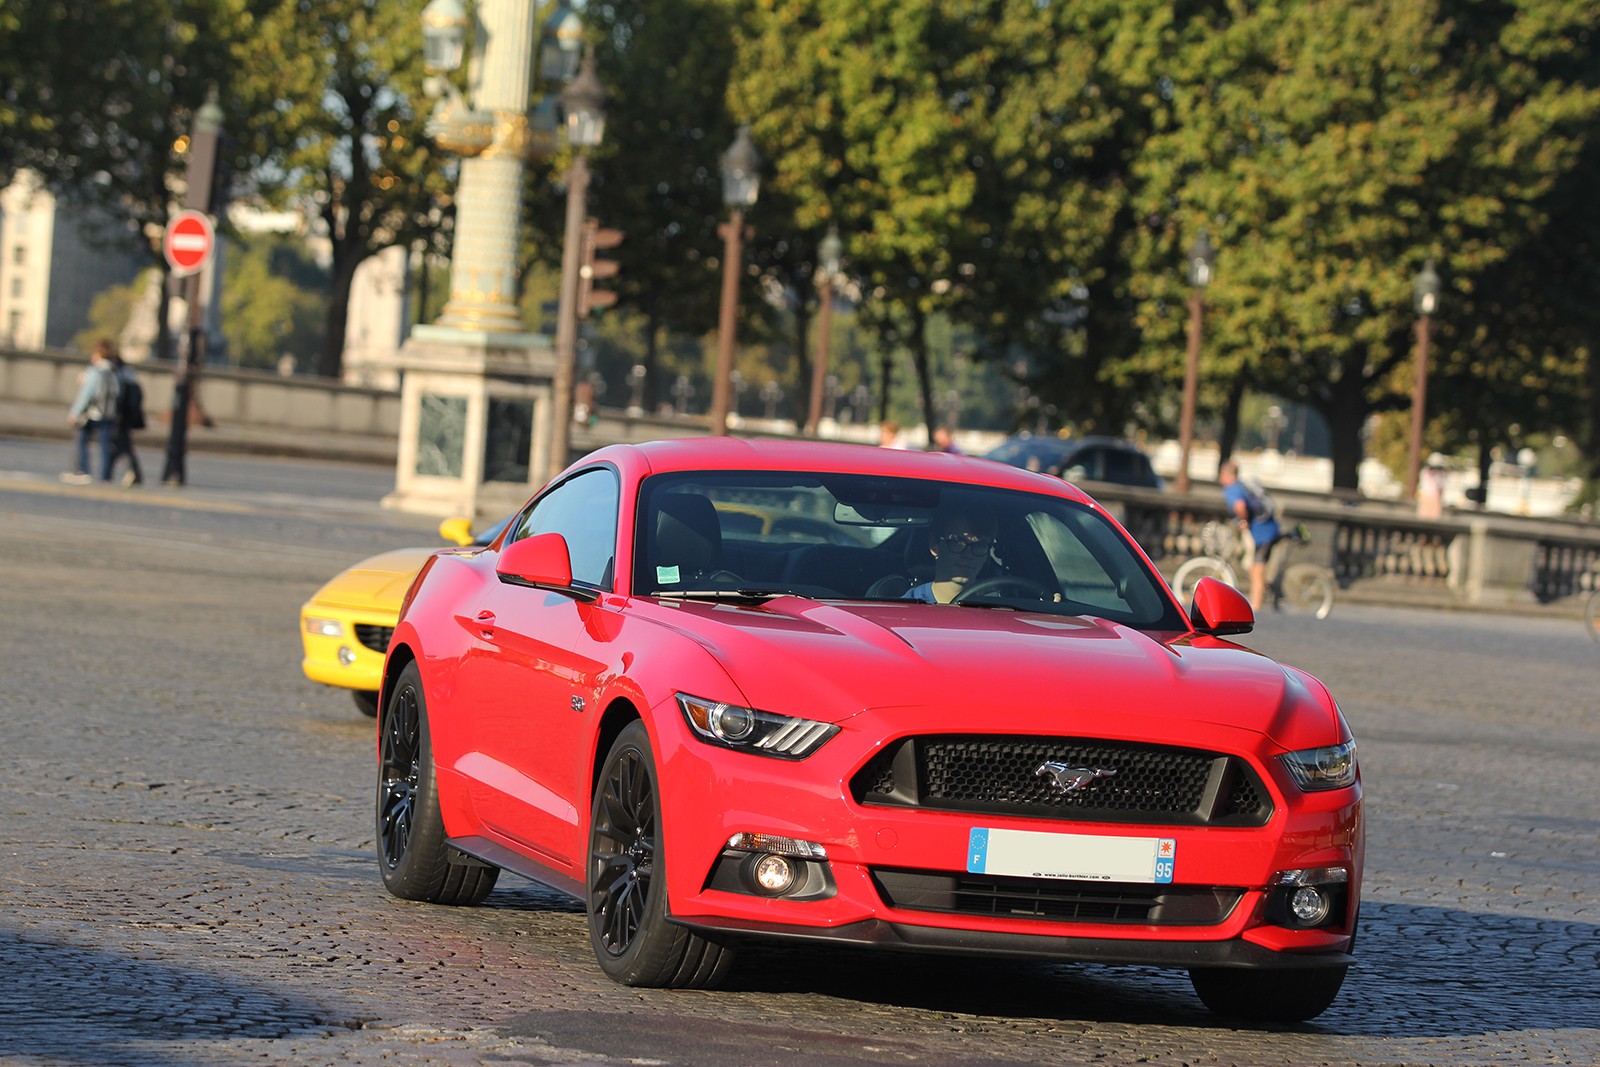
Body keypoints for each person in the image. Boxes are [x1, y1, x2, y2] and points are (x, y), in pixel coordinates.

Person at [905, 498, 998, 603]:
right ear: (934, 545)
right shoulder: (905, 610)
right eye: (957, 542)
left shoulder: (1000, 610)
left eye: (980, 545)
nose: (968, 554)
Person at [1218, 459, 1280, 610]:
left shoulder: (1232, 489)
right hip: (1267, 529)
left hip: (1261, 533)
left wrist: (1243, 520)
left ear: (1225, 474)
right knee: (1256, 566)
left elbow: (1240, 506)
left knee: (1257, 568)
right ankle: (1265, 594)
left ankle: (1257, 605)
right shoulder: (1242, 486)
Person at [63, 339, 121, 484]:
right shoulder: (114, 372)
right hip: (108, 413)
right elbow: (117, 393)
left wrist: (75, 413)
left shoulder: (94, 372)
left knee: (82, 440)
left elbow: (86, 395)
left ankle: (83, 470)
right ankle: (106, 475)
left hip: (93, 413)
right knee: (105, 446)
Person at [107, 348, 145, 487]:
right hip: (128, 416)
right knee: (123, 445)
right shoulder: (129, 373)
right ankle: (132, 472)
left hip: (121, 415)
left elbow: (118, 397)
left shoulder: (118, 375)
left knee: (118, 445)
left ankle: (110, 473)